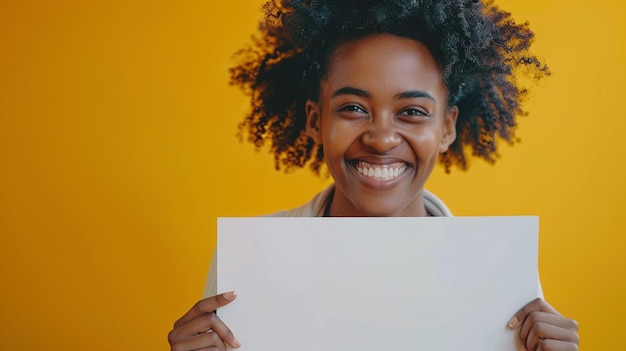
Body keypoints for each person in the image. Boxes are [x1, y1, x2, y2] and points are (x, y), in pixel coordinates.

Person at [168, 0, 579, 350]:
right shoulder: (246, 260)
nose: (382, 139)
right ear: (315, 119)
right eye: (353, 108)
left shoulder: (500, 273)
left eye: (413, 112)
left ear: (447, 128)